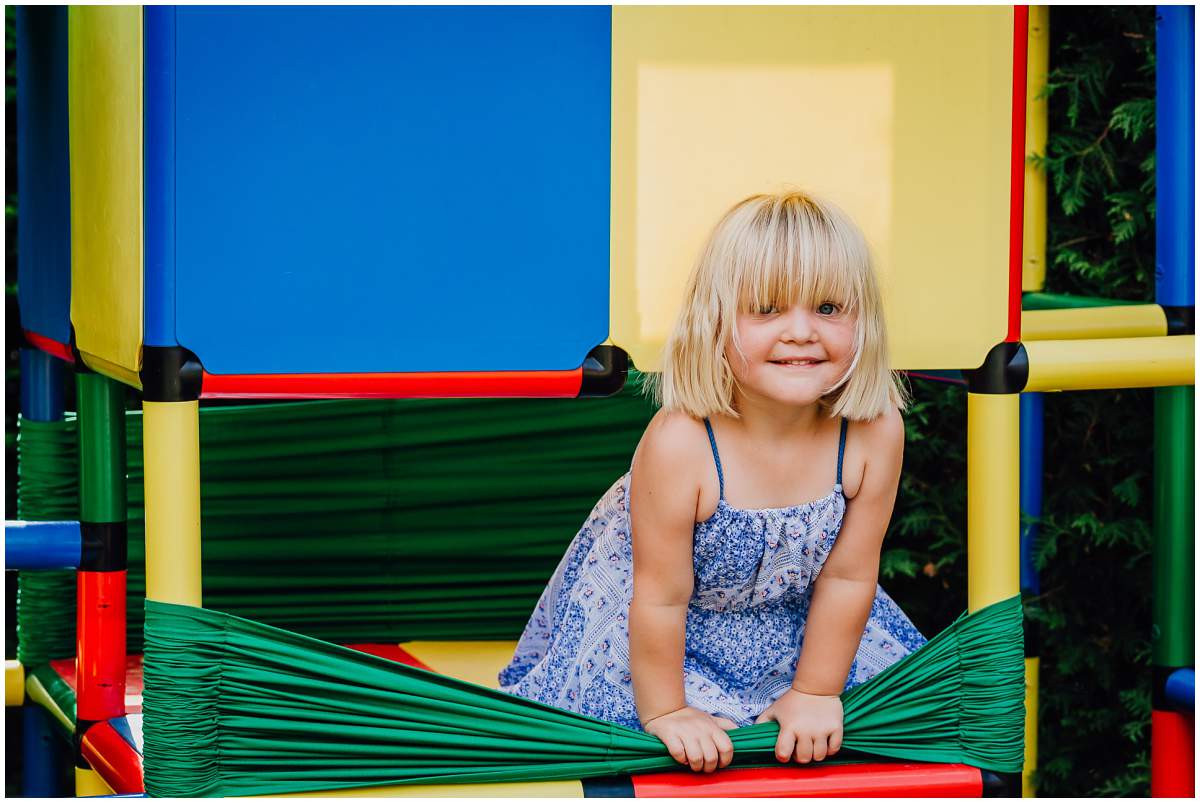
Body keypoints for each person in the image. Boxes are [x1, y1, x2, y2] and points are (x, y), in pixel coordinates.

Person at [498, 191, 927, 774]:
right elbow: (659, 597)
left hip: (796, 622)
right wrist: (669, 711)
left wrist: (816, 692)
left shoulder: (873, 432)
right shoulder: (683, 443)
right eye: (767, 308)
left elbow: (850, 577)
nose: (801, 332)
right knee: (652, 741)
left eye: (828, 308)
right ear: (716, 321)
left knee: (882, 719)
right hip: (663, 629)